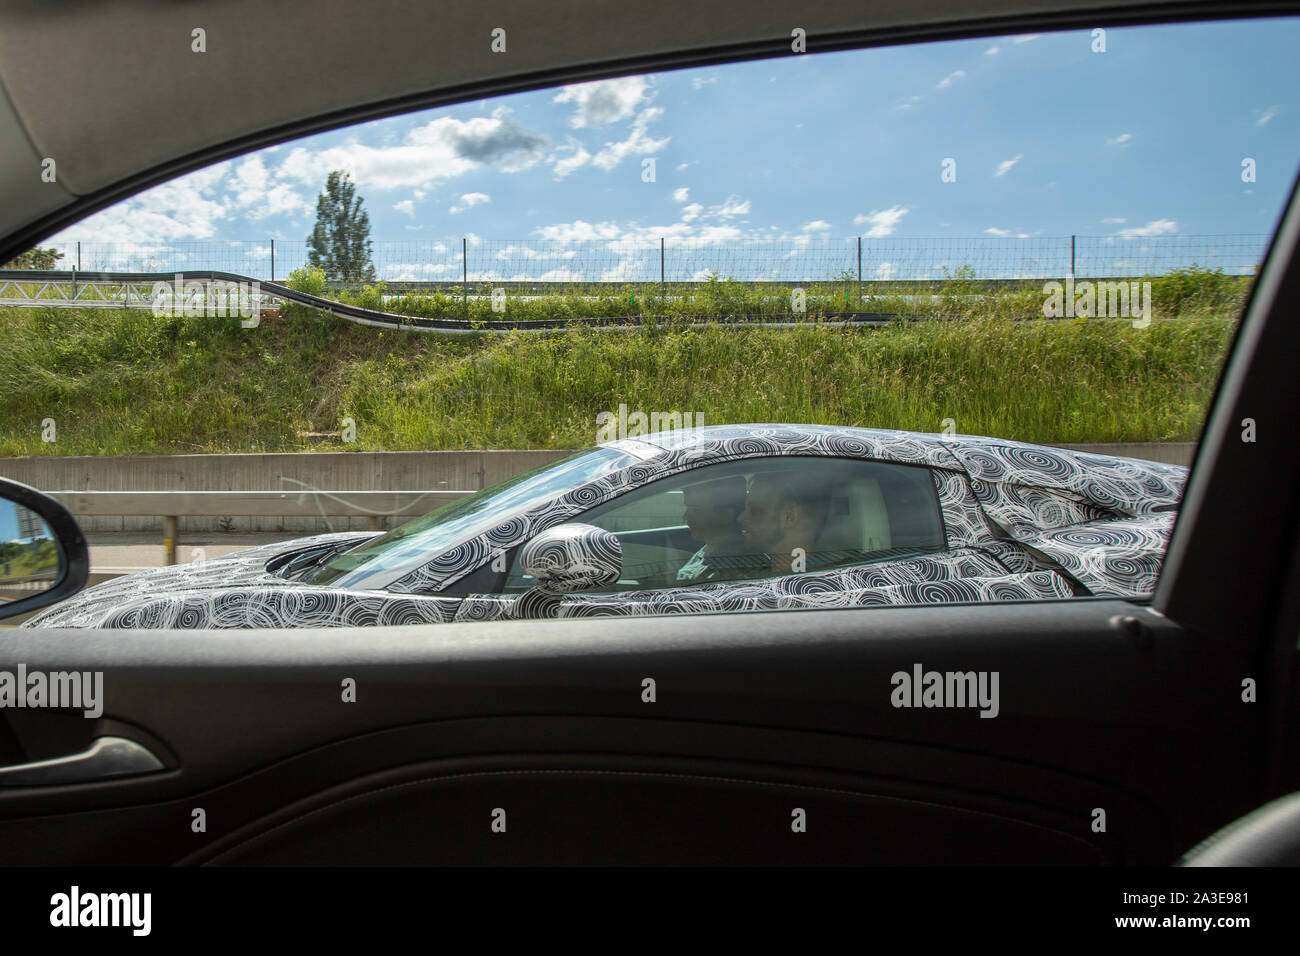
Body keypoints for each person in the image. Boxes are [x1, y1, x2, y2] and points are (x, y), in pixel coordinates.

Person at [737, 471, 832, 577]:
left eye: (755, 511)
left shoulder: (812, 584)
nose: (740, 518)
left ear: (789, 516)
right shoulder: (830, 576)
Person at [675, 475, 753, 583]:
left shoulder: (732, 569)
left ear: (726, 515)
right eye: (688, 508)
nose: (685, 516)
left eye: (696, 510)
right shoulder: (708, 550)